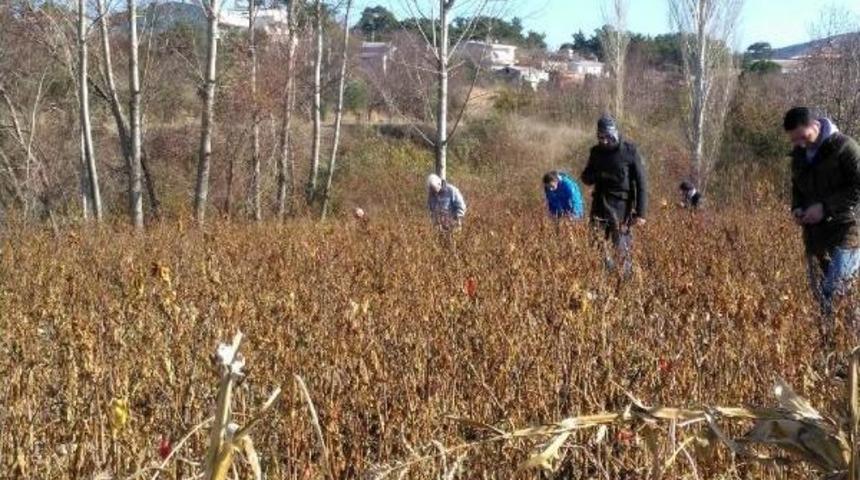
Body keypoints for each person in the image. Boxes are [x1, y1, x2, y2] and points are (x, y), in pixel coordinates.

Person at [785, 107, 860, 347]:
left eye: (802, 136)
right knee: (821, 298)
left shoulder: (845, 147)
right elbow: (797, 189)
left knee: (837, 292)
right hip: (814, 237)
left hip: (846, 229)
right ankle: (830, 354)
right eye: (794, 139)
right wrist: (797, 209)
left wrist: (825, 208)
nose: (799, 143)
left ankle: (849, 354)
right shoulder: (799, 155)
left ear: (815, 125)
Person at [581, 115, 648, 277]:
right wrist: (598, 175)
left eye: (606, 136)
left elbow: (642, 183)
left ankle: (626, 280)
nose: (603, 141)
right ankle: (607, 275)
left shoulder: (629, 151)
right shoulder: (595, 152)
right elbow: (586, 177)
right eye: (600, 137)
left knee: (621, 246)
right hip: (599, 204)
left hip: (621, 206)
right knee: (596, 243)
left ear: (614, 134)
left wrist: (641, 213)